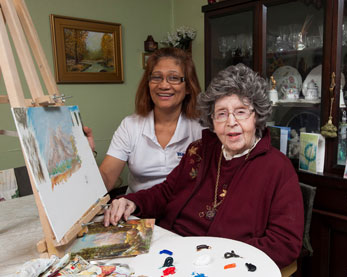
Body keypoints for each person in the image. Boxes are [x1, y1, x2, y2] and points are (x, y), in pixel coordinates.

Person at [103, 63, 304, 268]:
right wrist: (132, 201)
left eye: (241, 112)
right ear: (212, 120)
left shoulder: (278, 168)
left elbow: (284, 243)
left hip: (222, 265)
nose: (231, 122)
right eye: (222, 114)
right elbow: (165, 193)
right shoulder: (199, 150)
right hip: (172, 253)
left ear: (257, 116)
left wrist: (217, 256)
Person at [86, 47, 204, 193]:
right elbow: (105, 182)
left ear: (188, 87)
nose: (164, 85)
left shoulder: (202, 128)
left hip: (183, 210)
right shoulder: (130, 125)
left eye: (174, 78)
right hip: (138, 210)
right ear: (148, 84)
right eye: (156, 77)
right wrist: (85, 156)